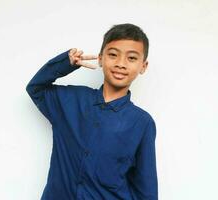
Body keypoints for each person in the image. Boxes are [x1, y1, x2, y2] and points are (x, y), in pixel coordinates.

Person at [26, 23, 158, 200]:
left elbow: (145, 186)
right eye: (113, 55)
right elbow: (36, 88)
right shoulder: (70, 101)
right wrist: (65, 63)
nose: (121, 64)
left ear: (143, 66)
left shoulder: (142, 122)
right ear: (101, 58)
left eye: (132, 58)